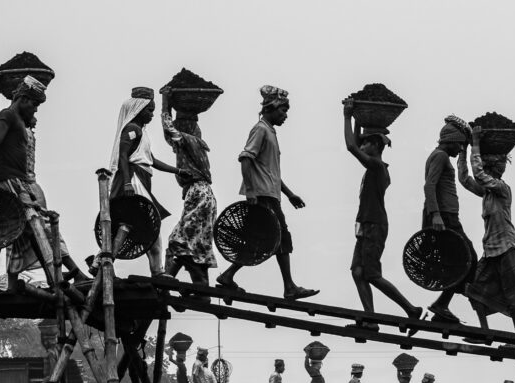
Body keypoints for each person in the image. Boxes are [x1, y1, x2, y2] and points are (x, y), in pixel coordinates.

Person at [0, 74, 86, 291]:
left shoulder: (19, 120)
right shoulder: (7, 117)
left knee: (23, 229)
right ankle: (53, 277)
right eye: (35, 104)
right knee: (18, 228)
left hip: (19, 183)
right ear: (24, 99)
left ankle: (52, 277)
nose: (36, 110)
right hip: (8, 182)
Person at [216, 86, 317, 299]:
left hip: (271, 194)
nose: (286, 116)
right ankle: (289, 286)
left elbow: (271, 171)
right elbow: (245, 158)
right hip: (262, 196)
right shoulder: (261, 129)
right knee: (278, 237)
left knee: (263, 240)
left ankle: (228, 276)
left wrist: (290, 194)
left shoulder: (270, 131)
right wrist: (251, 191)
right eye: (283, 111)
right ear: (271, 109)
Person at [341, 99, 422, 323]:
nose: (362, 146)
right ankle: (370, 318)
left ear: (376, 146)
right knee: (358, 272)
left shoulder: (377, 167)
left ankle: (411, 309)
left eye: (366, 143)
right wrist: (358, 119)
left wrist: (347, 116)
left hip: (374, 226)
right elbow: (356, 143)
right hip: (367, 225)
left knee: (372, 275)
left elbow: (350, 147)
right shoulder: (376, 167)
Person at [457, 126, 515, 333]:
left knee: (512, 295)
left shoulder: (501, 189)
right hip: (491, 249)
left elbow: (478, 174)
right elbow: (465, 179)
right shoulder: (487, 193)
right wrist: (463, 150)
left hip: (507, 246)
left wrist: (475, 142)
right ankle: (484, 332)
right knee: (474, 289)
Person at [109, 87, 178, 276]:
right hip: (134, 178)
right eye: (149, 110)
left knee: (150, 224)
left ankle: (157, 269)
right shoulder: (131, 129)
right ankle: (106, 261)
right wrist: (127, 183)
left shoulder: (141, 132)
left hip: (143, 178)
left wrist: (178, 170)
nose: (152, 115)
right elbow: (123, 156)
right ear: (138, 110)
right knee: (145, 222)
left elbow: (152, 160)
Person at [158, 90, 217, 286]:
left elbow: (168, 128)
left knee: (179, 240)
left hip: (199, 193)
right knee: (199, 242)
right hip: (204, 194)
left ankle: (175, 279)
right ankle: (201, 288)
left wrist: (165, 102)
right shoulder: (197, 143)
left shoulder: (188, 140)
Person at [423, 116, 477, 324]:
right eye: (460, 144)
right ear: (451, 141)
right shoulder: (440, 156)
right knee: (468, 258)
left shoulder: (440, 156)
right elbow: (429, 186)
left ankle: (442, 305)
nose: (460, 148)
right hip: (444, 217)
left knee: (460, 262)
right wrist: (436, 214)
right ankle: (442, 304)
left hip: (447, 216)